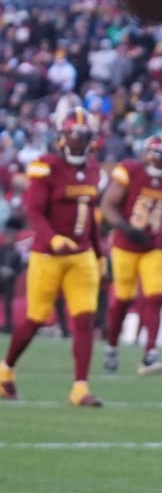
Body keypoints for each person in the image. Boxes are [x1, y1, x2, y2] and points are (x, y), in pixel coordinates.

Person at [1, 106, 106, 407]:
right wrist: (53, 238)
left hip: (82, 253)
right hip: (48, 254)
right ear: (62, 135)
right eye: (75, 135)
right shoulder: (46, 166)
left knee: (84, 319)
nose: (79, 141)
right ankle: (5, 371)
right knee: (35, 318)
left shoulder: (95, 169)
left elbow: (91, 218)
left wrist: (99, 253)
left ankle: (80, 389)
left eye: (85, 136)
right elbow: (34, 211)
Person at [100, 131, 162, 376]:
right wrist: (125, 228)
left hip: (152, 245)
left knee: (155, 296)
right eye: (158, 154)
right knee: (122, 300)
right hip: (126, 243)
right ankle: (112, 346)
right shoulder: (129, 170)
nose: (161, 160)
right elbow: (107, 205)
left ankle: (149, 354)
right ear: (148, 153)